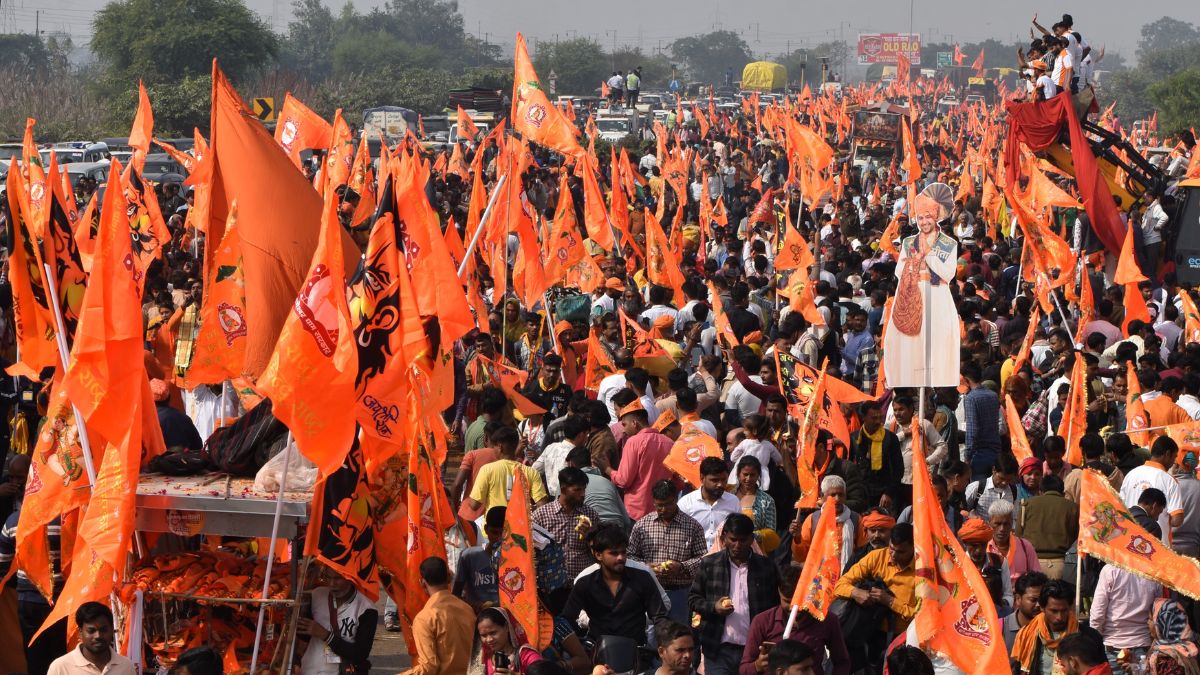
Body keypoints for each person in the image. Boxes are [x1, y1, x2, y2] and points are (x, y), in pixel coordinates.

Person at [882, 188, 960, 389]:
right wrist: (914, 262)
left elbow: (948, 273)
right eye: (920, 218)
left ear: (936, 218)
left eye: (928, 217)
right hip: (911, 295)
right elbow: (899, 270)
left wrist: (929, 256)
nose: (924, 222)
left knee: (938, 348)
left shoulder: (948, 243)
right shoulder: (909, 242)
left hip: (938, 297)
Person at [689, 514, 780, 675]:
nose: (737, 545)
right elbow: (694, 599)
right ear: (724, 538)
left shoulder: (766, 567)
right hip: (717, 648)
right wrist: (714, 607)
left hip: (754, 650)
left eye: (743, 540)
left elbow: (775, 606)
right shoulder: (710, 564)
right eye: (733, 539)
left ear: (751, 539)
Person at [563, 523, 668, 645]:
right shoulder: (585, 583)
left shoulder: (642, 578)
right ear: (598, 555)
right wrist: (575, 648)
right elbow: (567, 619)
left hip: (637, 652)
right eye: (614, 553)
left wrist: (667, 643)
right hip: (597, 652)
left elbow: (660, 617)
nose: (620, 557)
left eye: (623, 552)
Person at [738, 564, 850, 675]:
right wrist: (757, 666)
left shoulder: (827, 620)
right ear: (779, 593)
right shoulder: (762, 622)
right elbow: (744, 669)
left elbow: (842, 662)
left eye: (800, 602)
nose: (795, 609)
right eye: (788, 602)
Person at [627, 479, 709, 624]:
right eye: (660, 505)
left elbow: (703, 557)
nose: (664, 509)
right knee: (651, 637)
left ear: (675, 499)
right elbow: (630, 555)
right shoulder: (642, 525)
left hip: (681, 592)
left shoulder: (692, 526)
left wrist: (681, 567)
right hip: (650, 591)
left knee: (678, 634)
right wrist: (647, 567)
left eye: (668, 504)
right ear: (653, 502)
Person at [298, 566, 377, 675]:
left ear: (350, 577)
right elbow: (305, 636)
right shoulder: (317, 595)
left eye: (337, 578)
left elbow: (360, 653)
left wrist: (325, 635)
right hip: (310, 669)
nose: (331, 584)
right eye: (328, 578)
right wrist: (297, 620)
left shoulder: (366, 609)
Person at [405, 557, 476, 675]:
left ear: (422, 582)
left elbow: (429, 667)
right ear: (448, 578)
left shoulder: (424, 618)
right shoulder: (467, 609)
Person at [611, 400, 677, 521]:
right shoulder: (670, 443)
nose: (623, 430)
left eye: (624, 425)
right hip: (664, 510)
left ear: (634, 423)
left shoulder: (633, 442)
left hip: (637, 512)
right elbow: (678, 482)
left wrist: (608, 470)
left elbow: (623, 480)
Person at [464, 426, 551, 517]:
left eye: (494, 447)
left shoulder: (487, 470)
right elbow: (542, 506)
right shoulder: (531, 472)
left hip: (493, 528)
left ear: (500, 447)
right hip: (520, 528)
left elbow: (474, 505)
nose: (493, 450)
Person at [1090, 563, 1159, 674]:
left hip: (1113, 647)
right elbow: (1157, 611)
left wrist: (1095, 641)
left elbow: (1098, 613)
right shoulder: (1153, 572)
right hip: (1142, 645)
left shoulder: (1110, 569)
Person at [1120, 436, 1185, 540]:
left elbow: (1121, 508)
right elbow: (1177, 520)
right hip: (1159, 546)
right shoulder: (1169, 481)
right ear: (1167, 454)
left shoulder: (1131, 475)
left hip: (1129, 541)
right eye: (1174, 457)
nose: (1174, 462)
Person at [1011, 579, 1080, 675]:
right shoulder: (1026, 634)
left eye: (1064, 611)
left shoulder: (1084, 636)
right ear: (1042, 608)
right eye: (1054, 611)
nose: (1059, 617)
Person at [46, 602, 136, 675]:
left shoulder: (126, 666)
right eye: (91, 631)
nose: (98, 636)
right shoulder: (60, 667)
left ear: (112, 630)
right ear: (80, 632)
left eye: (103, 630)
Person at [1017, 474, 1078, 580]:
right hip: (1060, 564)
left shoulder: (1027, 504)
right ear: (1063, 493)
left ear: (1040, 491)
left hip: (1031, 564)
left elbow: (1018, 534)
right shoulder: (1073, 508)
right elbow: (1074, 535)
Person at [848, 401, 904, 512]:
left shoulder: (890, 438)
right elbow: (849, 466)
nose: (878, 421)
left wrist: (889, 493)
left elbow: (899, 470)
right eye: (874, 418)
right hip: (862, 494)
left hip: (884, 495)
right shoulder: (854, 438)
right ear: (863, 417)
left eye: (880, 417)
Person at [678, 457, 741, 548]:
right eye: (714, 480)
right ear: (702, 478)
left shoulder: (733, 501)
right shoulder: (686, 503)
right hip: (694, 559)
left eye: (724, 480)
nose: (720, 484)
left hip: (723, 558)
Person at [564, 446, 630, 531]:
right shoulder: (607, 482)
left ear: (571, 464)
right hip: (617, 529)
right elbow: (626, 521)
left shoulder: (568, 485)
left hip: (592, 530)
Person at [454, 506, 503, 611]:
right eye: (495, 532)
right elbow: (456, 596)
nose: (499, 538)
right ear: (486, 530)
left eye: (503, 533)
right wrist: (475, 606)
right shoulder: (469, 556)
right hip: (476, 619)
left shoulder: (518, 559)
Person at [987, 499, 1042, 587]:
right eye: (997, 524)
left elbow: (1037, 577)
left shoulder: (1025, 546)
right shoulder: (983, 548)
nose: (1002, 529)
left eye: (1006, 524)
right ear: (989, 523)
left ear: (1012, 523)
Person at [475, 606, 544, 673]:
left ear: (506, 627)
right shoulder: (486, 660)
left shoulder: (527, 657)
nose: (489, 639)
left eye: (493, 633)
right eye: (484, 635)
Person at [1004, 571, 1049, 653]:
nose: (1038, 605)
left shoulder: (1052, 628)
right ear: (1018, 599)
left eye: (1042, 600)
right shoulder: (1000, 629)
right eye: (1033, 600)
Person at [731, 455, 777, 532]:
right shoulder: (729, 495)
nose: (748, 479)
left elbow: (771, 532)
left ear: (758, 475)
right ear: (738, 474)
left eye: (752, 475)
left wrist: (753, 537)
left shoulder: (766, 500)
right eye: (745, 474)